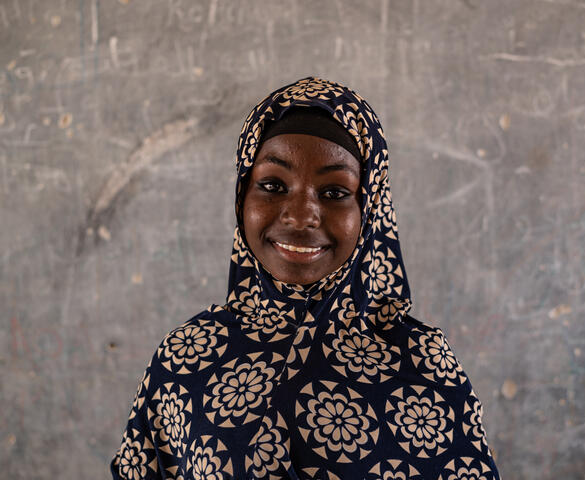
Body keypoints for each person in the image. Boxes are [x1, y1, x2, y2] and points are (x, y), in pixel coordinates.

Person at [111, 77, 501, 479]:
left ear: (370, 208)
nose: (299, 216)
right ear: (242, 196)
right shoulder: (185, 360)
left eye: (334, 192)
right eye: (273, 185)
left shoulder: (423, 366)